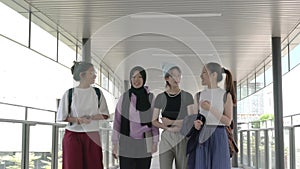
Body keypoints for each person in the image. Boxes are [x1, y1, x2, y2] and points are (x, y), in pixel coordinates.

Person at [57, 61, 109, 169]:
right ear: (82, 75)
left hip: (93, 135)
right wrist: (78, 120)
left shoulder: (97, 93)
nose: (95, 75)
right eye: (91, 73)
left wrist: (92, 117)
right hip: (73, 136)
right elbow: (62, 117)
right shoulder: (69, 93)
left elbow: (105, 115)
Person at [112, 66, 159, 169]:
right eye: (133, 77)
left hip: (144, 142)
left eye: (140, 77)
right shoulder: (124, 97)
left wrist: (155, 142)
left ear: (144, 79)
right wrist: (115, 144)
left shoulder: (150, 98)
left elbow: (154, 121)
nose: (136, 80)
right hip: (126, 142)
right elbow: (117, 121)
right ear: (130, 79)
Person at [192, 62, 236, 169]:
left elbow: (227, 121)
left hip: (219, 134)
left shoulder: (225, 95)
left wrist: (210, 108)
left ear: (214, 75)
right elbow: (194, 118)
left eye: (204, 72)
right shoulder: (198, 95)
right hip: (203, 133)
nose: (201, 76)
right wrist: (196, 123)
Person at [152, 64, 194, 169]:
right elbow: (154, 120)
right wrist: (166, 127)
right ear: (167, 78)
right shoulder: (160, 97)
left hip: (183, 136)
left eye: (179, 76)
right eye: (173, 75)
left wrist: (171, 122)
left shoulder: (187, 96)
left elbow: (191, 120)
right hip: (167, 137)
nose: (177, 78)